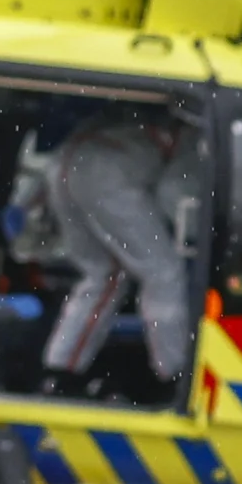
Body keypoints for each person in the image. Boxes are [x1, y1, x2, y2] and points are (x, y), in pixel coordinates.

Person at [40, 105, 199, 389]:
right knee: (164, 273)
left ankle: (59, 371)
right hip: (108, 173)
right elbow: (172, 195)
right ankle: (174, 375)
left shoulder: (136, 114)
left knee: (103, 275)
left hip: (62, 165)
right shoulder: (197, 137)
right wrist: (196, 234)